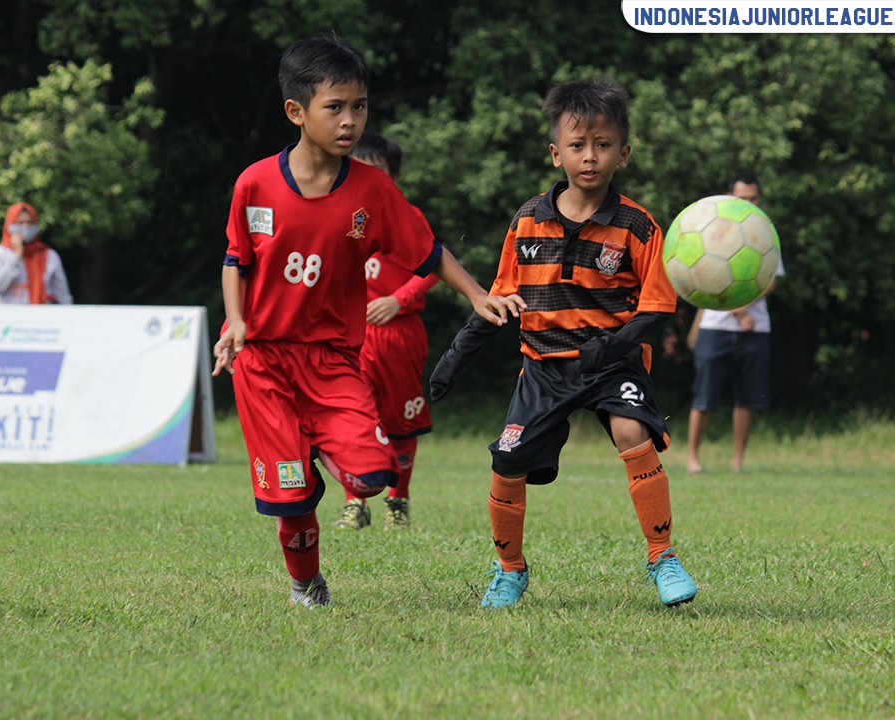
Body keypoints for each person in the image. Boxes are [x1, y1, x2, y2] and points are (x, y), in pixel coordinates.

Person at [211, 35, 523, 609]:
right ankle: (306, 584)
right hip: (263, 365)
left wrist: (478, 293)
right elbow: (236, 259)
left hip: (331, 361)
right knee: (293, 498)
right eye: (336, 107)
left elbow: (426, 251)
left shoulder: (373, 191)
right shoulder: (254, 183)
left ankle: (319, 453)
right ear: (296, 112)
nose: (351, 120)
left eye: (360, 107)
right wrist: (235, 322)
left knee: (374, 474)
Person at [430, 79, 698, 609]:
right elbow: (501, 299)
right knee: (507, 463)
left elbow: (658, 307)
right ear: (556, 154)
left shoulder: (639, 227)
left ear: (623, 153)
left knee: (629, 429)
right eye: (577, 146)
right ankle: (510, 570)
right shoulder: (527, 220)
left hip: (612, 364)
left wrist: (613, 345)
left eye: (603, 145)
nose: (590, 157)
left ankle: (662, 558)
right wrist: (456, 355)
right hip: (543, 368)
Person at [333, 133, 439, 531]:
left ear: (392, 177)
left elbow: (434, 267)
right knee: (355, 421)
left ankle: (398, 500)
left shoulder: (409, 217)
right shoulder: (338, 217)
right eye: (359, 168)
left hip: (400, 336)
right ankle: (355, 504)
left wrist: (398, 299)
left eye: (376, 170)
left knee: (400, 423)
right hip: (350, 340)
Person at [686, 175, 785, 474]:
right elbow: (701, 278)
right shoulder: (711, 228)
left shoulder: (764, 233)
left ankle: (737, 460)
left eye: (754, 198)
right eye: (743, 198)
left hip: (755, 329)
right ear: (730, 197)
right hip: (714, 327)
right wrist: (735, 311)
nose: (749, 204)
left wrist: (742, 309)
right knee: (704, 396)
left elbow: (769, 282)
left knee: (747, 398)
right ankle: (692, 457)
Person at [0, 202, 73, 305]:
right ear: (9, 225)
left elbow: (62, 294)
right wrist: (16, 256)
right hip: (5, 318)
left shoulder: (49, 256)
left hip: (38, 318)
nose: (25, 226)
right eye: (20, 223)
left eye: (30, 222)